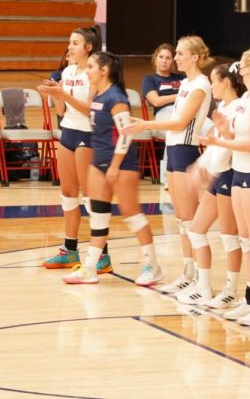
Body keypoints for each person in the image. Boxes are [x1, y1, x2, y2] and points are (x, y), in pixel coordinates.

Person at [62, 52, 163, 286]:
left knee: (132, 214)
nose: (87, 71)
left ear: (104, 70)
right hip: (99, 160)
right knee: (98, 215)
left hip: (121, 163)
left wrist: (115, 166)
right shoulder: (98, 94)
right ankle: (89, 268)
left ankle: (152, 266)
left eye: (90, 67)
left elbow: (126, 135)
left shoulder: (117, 98)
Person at [123, 36, 214, 294]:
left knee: (192, 221)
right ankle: (188, 272)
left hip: (185, 151)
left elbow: (180, 123)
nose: (175, 58)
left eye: (181, 53)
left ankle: (200, 277)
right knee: (181, 219)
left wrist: (145, 125)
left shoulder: (200, 85)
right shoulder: (185, 83)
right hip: (172, 151)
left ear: (195, 57)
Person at [201, 48, 250, 326]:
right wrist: (223, 129)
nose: (237, 69)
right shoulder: (247, 98)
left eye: (241, 65)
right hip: (241, 173)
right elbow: (238, 137)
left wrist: (221, 142)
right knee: (247, 242)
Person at [37, 26, 112, 273]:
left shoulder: (95, 73)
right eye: (70, 42)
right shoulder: (67, 71)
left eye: (76, 43)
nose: (70, 47)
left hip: (88, 135)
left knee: (90, 195)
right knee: (68, 194)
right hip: (68, 132)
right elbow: (61, 112)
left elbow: (90, 110)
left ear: (88, 47)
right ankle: (70, 250)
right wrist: (54, 95)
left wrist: (63, 94)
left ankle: (102, 254)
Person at [173, 63, 246, 307]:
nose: (211, 85)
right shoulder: (224, 107)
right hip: (218, 175)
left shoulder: (239, 109)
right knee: (196, 229)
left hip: (229, 175)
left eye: (214, 81)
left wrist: (206, 170)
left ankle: (230, 290)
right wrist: (201, 166)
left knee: (229, 236)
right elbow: (215, 145)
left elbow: (226, 147)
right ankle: (203, 287)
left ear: (225, 83)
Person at [141, 43, 185, 122]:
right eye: (161, 57)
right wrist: (181, 95)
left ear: (173, 61)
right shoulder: (149, 79)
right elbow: (156, 101)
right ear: (155, 59)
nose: (164, 61)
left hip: (185, 110)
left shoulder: (182, 77)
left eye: (168, 58)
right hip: (164, 113)